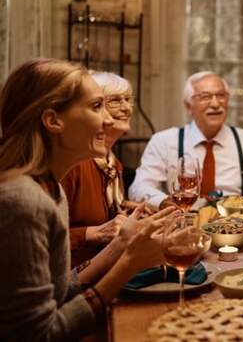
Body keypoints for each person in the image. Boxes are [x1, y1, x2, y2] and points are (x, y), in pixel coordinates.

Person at [0, 58, 174, 341]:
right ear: (53, 120)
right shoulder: (23, 200)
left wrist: (121, 245)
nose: (109, 118)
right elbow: (41, 333)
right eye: (97, 106)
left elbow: (59, 290)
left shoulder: (50, 187)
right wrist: (128, 264)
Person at [129, 71, 243, 209]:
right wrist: (164, 202)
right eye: (205, 97)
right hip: (182, 223)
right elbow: (139, 188)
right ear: (188, 106)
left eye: (221, 95)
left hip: (236, 226)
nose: (215, 104)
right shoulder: (163, 142)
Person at [61, 71, 142, 268]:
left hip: (105, 266)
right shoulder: (74, 165)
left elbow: (109, 219)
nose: (126, 107)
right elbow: (45, 237)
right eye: (114, 100)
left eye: (128, 99)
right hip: (72, 277)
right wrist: (95, 233)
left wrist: (127, 212)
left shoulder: (113, 164)